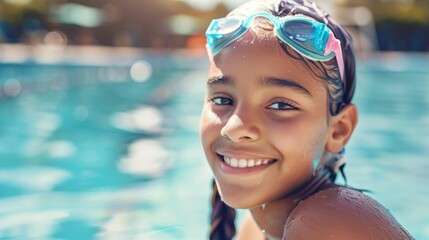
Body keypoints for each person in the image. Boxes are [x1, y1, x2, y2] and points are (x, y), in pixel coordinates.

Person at [199, 0, 414, 239]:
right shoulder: (255, 229)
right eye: (222, 100)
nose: (235, 128)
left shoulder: (328, 223)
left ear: (338, 130)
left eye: (280, 105)